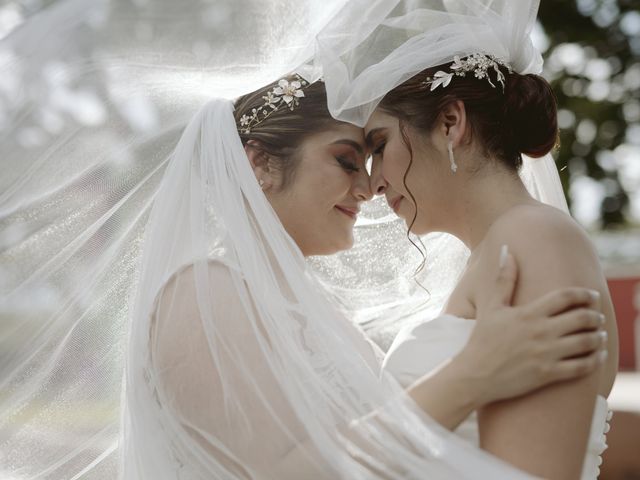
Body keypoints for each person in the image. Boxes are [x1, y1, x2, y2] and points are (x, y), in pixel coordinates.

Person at [121, 74, 607, 479]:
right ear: (261, 163)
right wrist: (472, 374)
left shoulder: (326, 319)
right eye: (347, 160)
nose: (368, 186)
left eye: (375, 152)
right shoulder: (201, 294)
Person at [311, 0, 619, 478]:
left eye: (379, 146)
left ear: (451, 123)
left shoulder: (535, 240)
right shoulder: (498, 251)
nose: (372, 184)